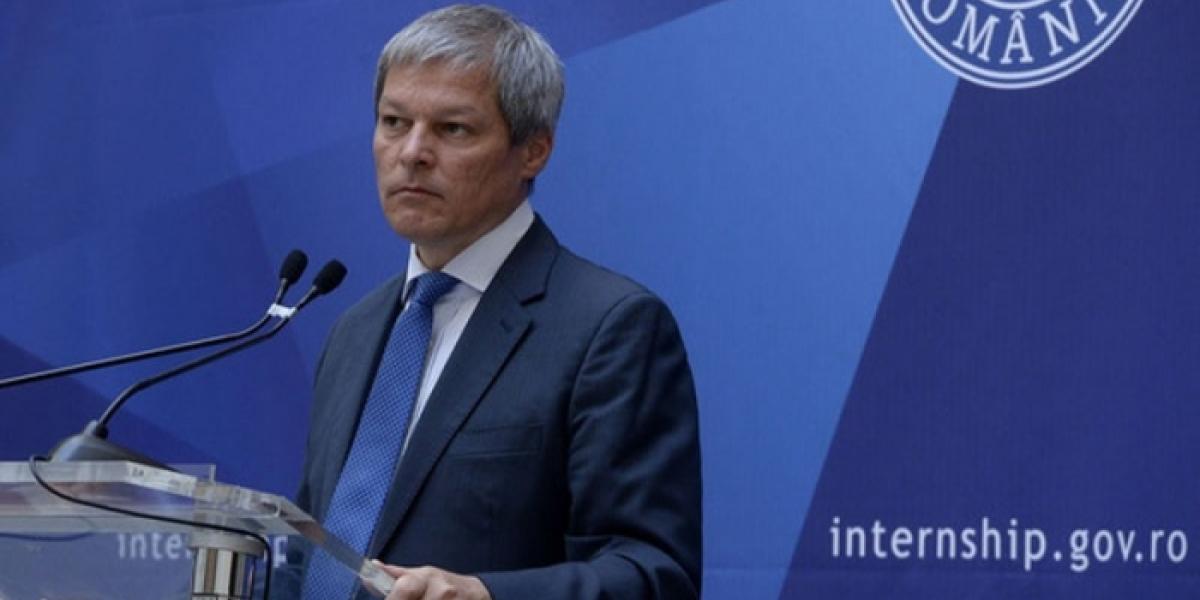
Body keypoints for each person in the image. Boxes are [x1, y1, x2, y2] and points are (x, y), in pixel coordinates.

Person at [296, 5, 702, 599]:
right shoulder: (355, 331)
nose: (412, 152)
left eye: (452, 129)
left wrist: (487, 595)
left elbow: (653, 575)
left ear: (533, 150)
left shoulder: (610, 329)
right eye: (394, 122)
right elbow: (314, 552)